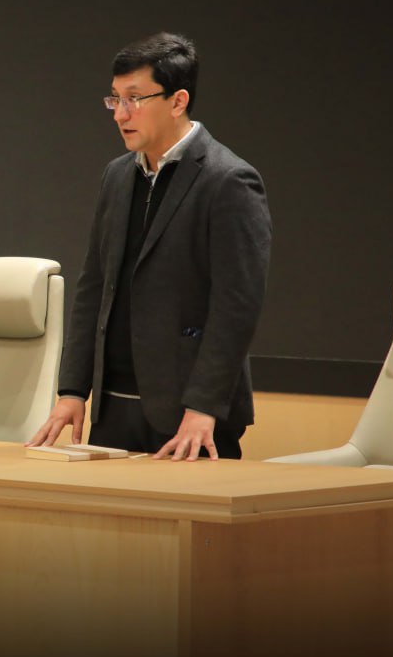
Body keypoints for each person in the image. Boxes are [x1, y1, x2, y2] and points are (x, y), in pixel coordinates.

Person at [28, 32, 271, 460]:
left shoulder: (228, 180)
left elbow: (237, 306)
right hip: (112, 409)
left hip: (188, 414)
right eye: (115, 99)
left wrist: (203, 406)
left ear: (178, 101)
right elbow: (94, 287)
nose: (121, 114)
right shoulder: (117, 175)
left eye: (135, 99)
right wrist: (72, 390)